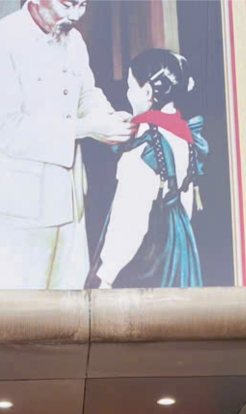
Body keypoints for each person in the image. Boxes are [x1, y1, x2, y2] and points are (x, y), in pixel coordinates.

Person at [0, 0, 133, 289]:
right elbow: (5, 130)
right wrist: (87, 128)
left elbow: (87, 94)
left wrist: (107, 118)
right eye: (67, 4)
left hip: (69, 206)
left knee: (69, 310)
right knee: (15, 312)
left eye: (82, 4)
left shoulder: (74, 40)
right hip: (10, 213)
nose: (76, 15)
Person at [89, 48, 208, 289]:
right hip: (178, 253)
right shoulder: (184, 135)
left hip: (147, 262)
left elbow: (129, 222)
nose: (128, 94)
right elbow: (186, 205)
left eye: (130, 86)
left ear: (147, 92)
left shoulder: (145, 149)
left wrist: (107, 277)